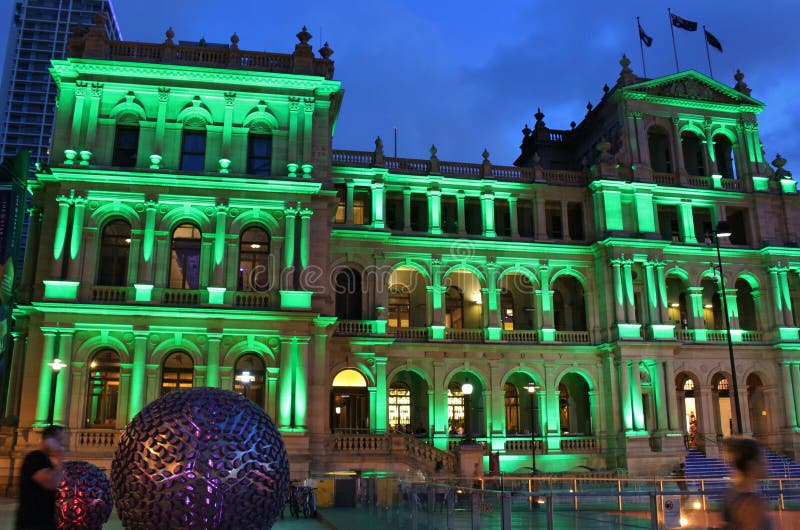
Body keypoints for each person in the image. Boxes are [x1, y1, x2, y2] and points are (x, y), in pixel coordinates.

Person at [16, 425, 66, 530]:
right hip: (32, 523)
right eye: (58, 440)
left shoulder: (46, 460)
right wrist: (60, 459)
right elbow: (50, 483)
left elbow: (56, 483)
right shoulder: (35, 458)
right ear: (48, 439)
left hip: (44, 521)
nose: (60, 445)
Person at [720, 437, 772, 530]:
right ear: (751, 464)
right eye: (762, 459)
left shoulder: (731, 493)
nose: (767, 463)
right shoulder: (751, 504)